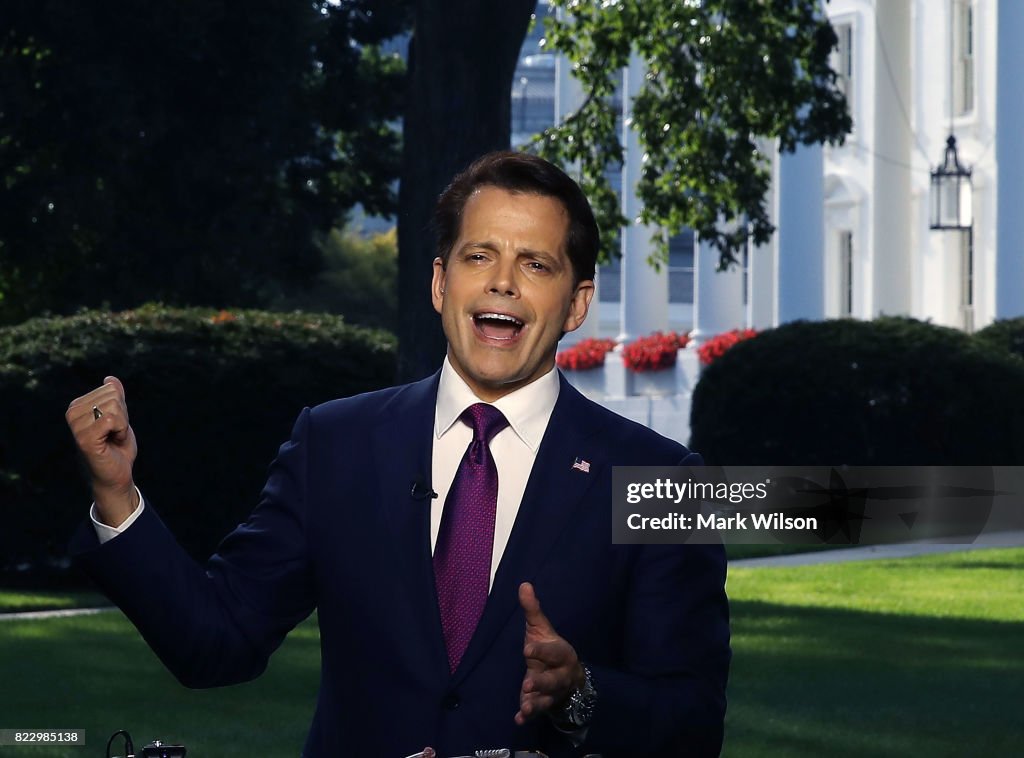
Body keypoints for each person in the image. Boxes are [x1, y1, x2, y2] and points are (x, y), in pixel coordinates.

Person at [66, 152, 730, 757]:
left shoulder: (665, 479)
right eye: (479, 256)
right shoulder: (333, 444)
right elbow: (216, 643)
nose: (502, 282)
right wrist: (117, 497)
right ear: (441, 283)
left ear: (577, 303)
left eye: (535, 263)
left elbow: (694, 725)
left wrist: (581, 691)